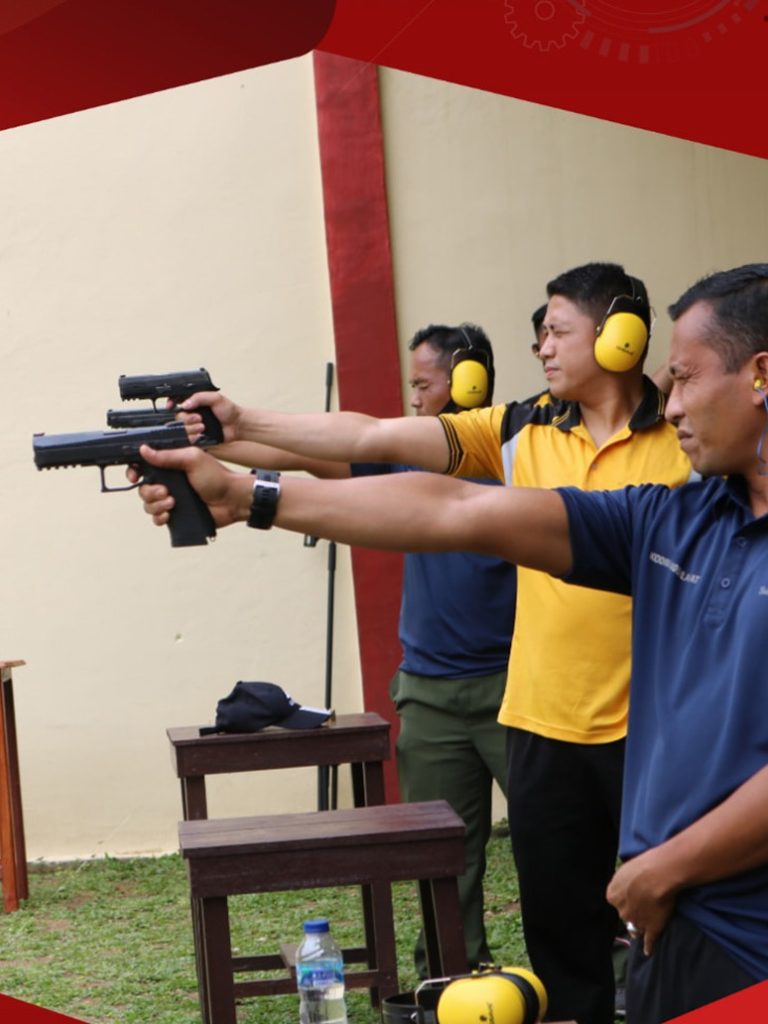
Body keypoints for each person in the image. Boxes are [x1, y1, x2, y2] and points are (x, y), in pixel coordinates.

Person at [137, 262, 768, 1023]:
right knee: (570, 947)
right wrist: (246, 484)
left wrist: (666, 868)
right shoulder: (670, 513)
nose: (674, 400)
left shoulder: (679, 481)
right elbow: (449, 504)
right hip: (645, 868)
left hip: (712, 878)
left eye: (687, 377)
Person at [207, 323, 519, 973]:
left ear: (468, 380)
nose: (414, 398)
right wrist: (217, 441)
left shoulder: (521, 454)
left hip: (518, 687)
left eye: (424, 384)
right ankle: (448, 976)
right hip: (429, 694)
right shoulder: (405, 456)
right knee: (441, 854)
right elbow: (311, 455)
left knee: (557, 843)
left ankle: (592, 977)